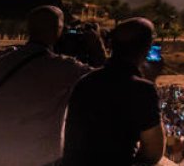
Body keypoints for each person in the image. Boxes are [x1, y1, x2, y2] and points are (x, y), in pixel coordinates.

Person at [0, 5, 97, 166]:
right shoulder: (62, 66)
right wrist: (95, 45)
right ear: (58, 30)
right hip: (37, 156)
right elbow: (103, 79)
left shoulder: (2, 63)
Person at [61, 17, 165, 165]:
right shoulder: (142, 90)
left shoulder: (85, 81)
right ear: (147, 48)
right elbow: (153, 153)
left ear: (111, 45)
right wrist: (150, 82)